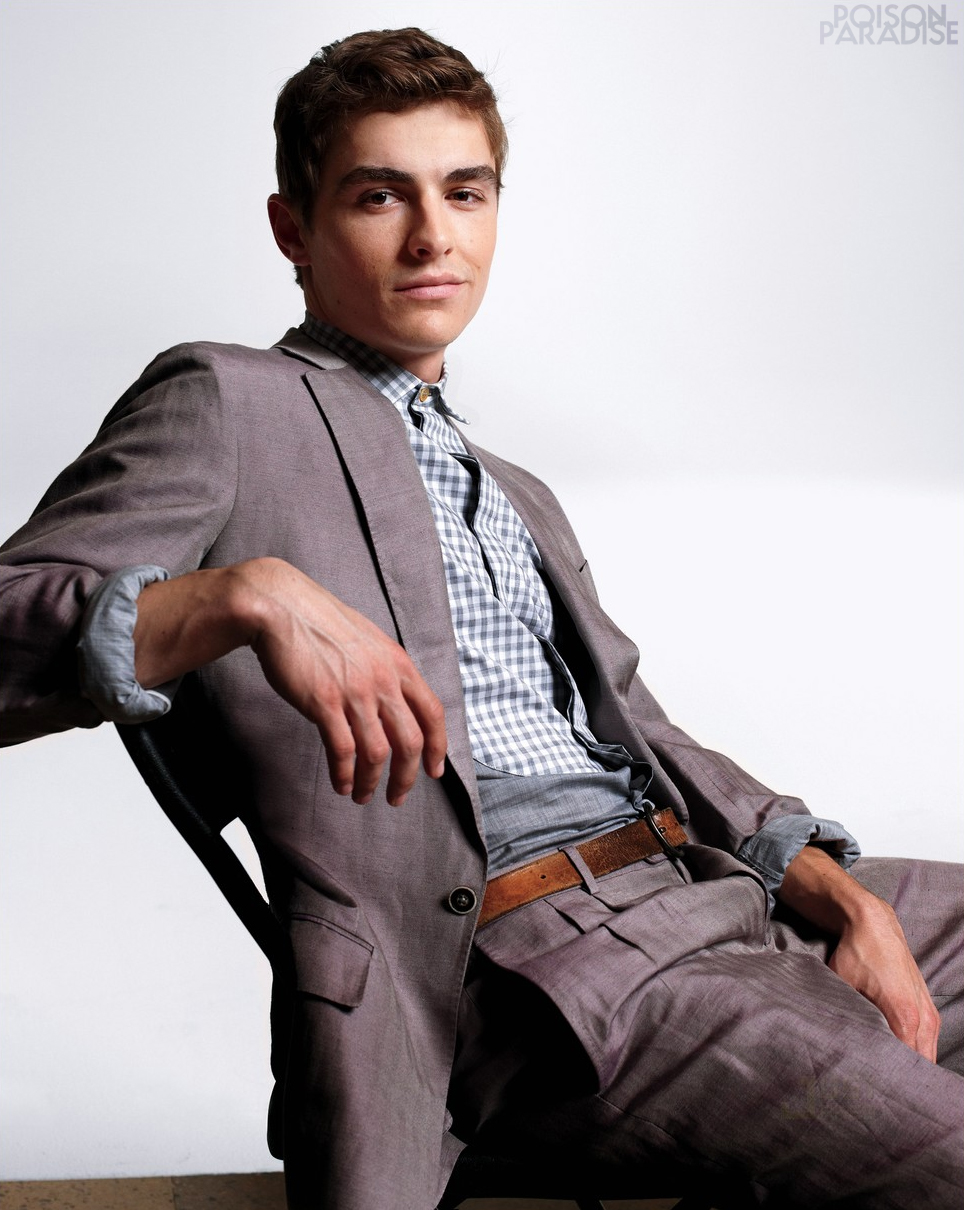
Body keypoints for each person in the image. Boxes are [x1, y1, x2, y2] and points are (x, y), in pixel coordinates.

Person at [0, 26, 960, 1210]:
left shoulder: (518, 492)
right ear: (293, 230)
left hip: (706, 893)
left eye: (464, 192)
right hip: (536, 966)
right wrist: (239, 594)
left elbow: (653, 736)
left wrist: (845, 896)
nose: (432, 235)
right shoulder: (229, 400)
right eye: (378, 196)